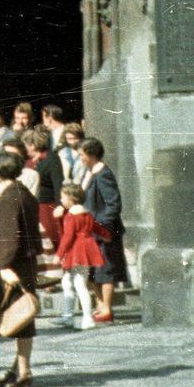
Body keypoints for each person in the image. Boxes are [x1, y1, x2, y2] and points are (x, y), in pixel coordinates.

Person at [0, 150, 42, 387]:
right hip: (26, 263)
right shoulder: (24, 193)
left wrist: (3, 266)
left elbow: (10, 238)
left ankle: (24, 372)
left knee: (20, 319)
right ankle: (18, 368)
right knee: (22, 318)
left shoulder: (10, 197)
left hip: (15, 266)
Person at [77, 138, 128, 323]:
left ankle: (106, 306)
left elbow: (113, 204)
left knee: (105, 269)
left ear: (91, 154)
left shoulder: (103, 174)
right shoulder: (90, 172)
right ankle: (100, 305)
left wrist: (104, 228)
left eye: (82, 154)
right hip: (90, 230)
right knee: (92, 271)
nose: (80, 158)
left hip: (102, 231)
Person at [53, 182, 104, 331]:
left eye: (63, 197)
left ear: (72, 198)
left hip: (77, 250)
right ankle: (69, 316)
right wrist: (106, 235)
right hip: (86, 249)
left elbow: (68, 237)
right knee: (69, 282)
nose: (61, 200)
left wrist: (59, 254)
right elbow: (96, 227)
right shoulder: (85, 213)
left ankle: (87, 318)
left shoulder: (71, 215)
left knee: (79, 284)